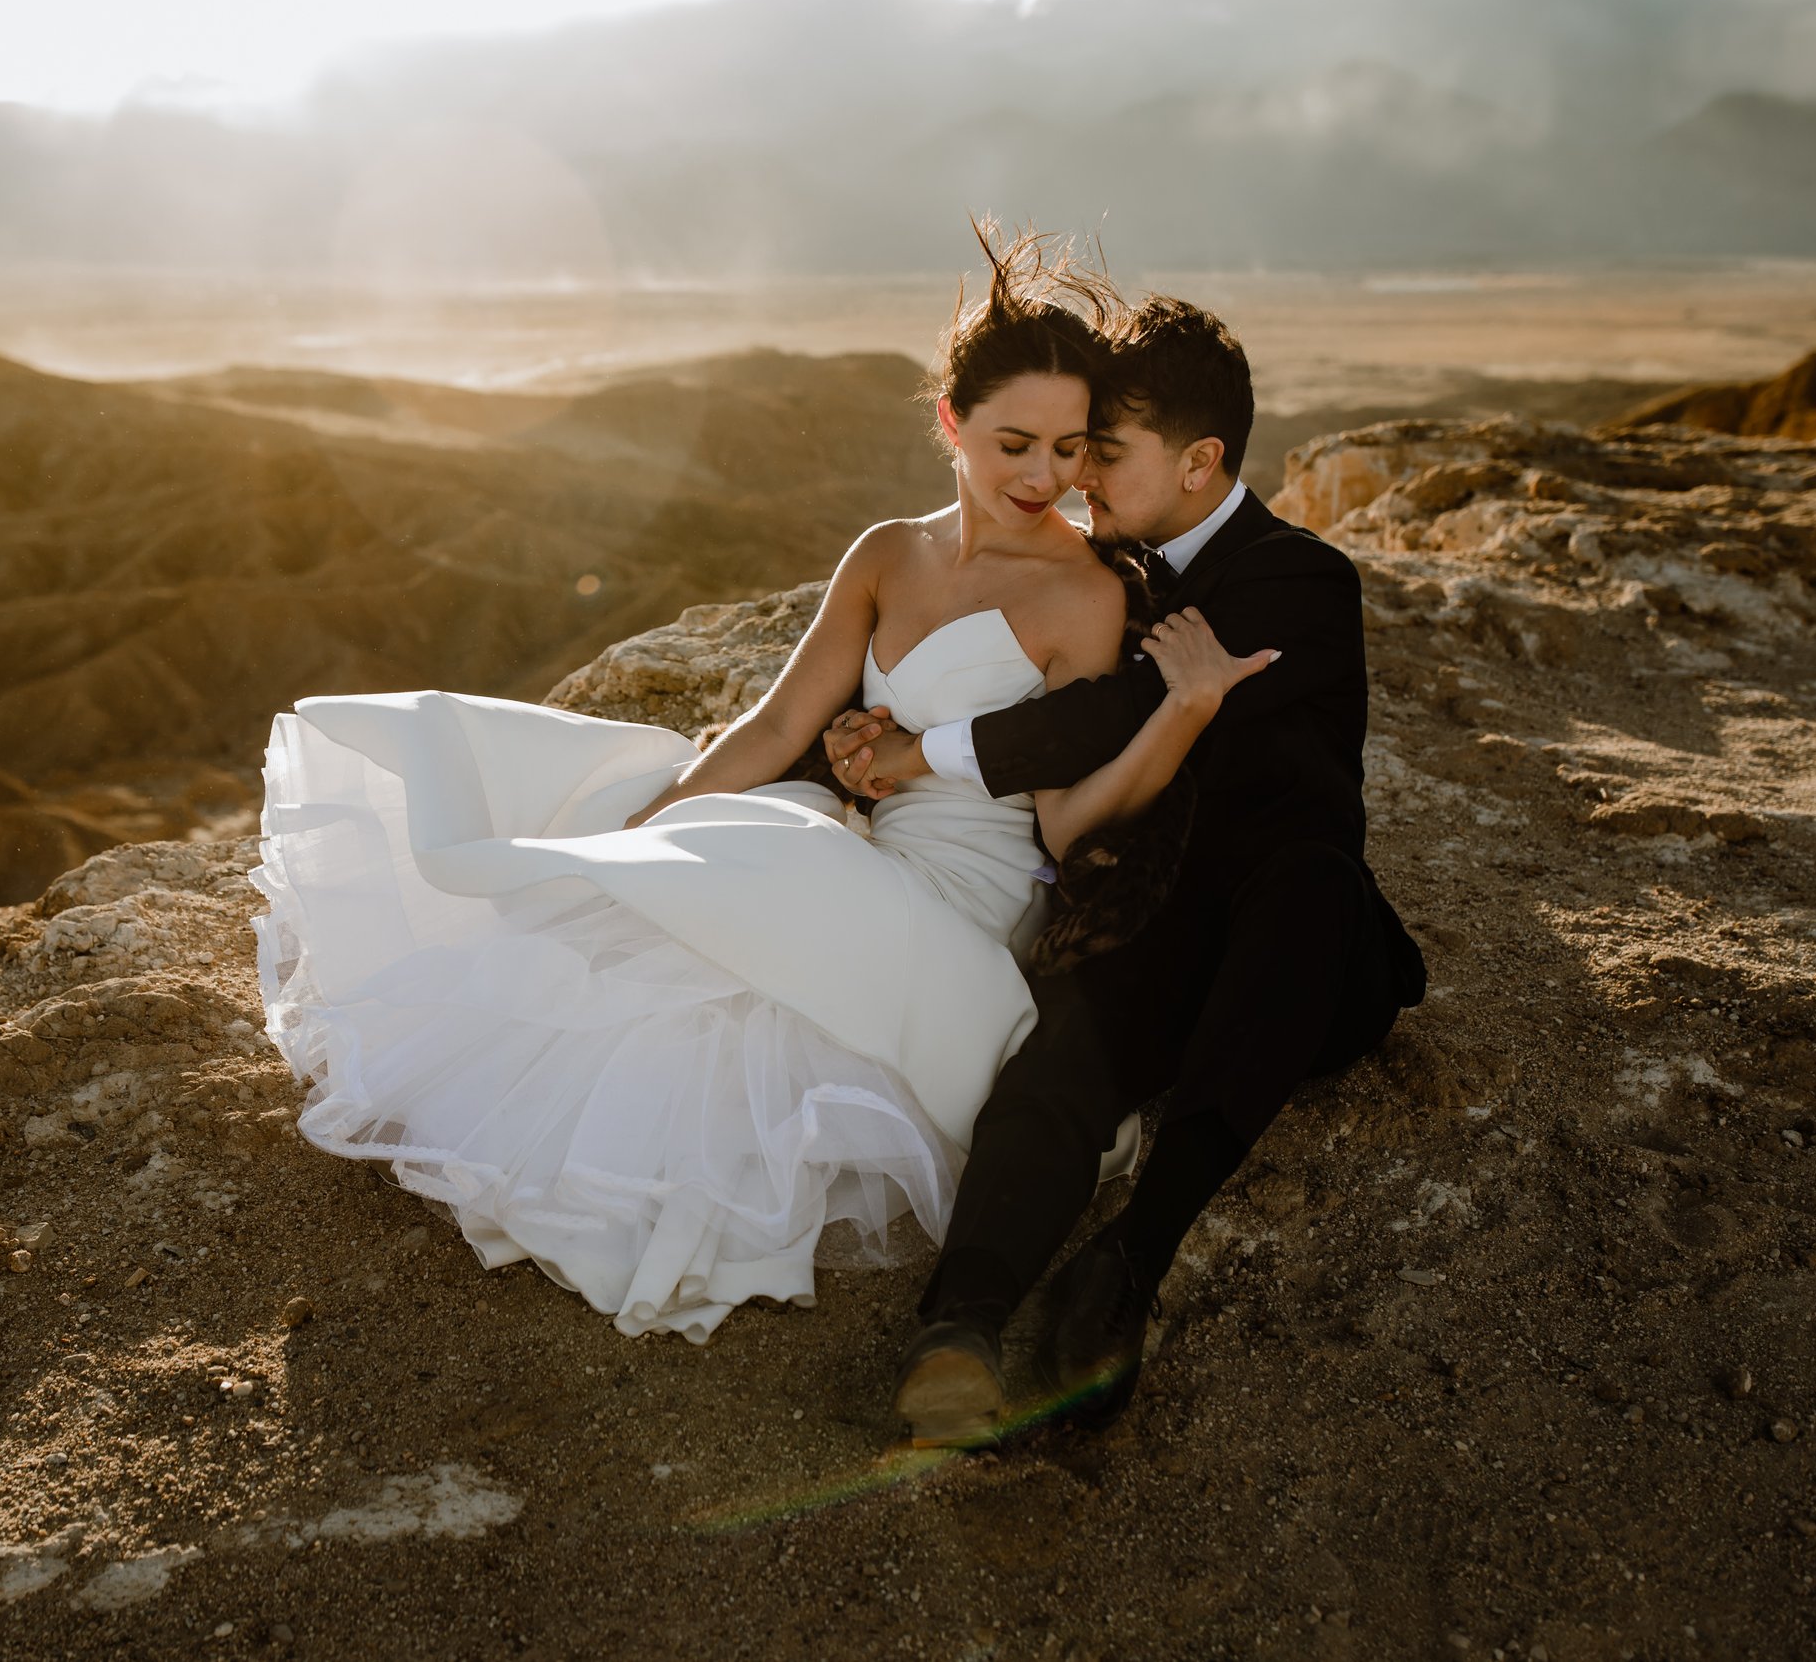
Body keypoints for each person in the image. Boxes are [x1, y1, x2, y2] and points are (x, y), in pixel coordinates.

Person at [248, 231, 1268, 1343]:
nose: (1043, 478)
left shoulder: (1083, 596)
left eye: (1069, 450)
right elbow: (782, 719)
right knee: (719, 841)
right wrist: (654, 820)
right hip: (856, 830)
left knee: (776, 874)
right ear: (949, 424)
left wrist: (1181, 713)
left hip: (969, 884)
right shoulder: (888, 553)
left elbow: (1069, 820)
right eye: (1013, 442)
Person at [831, 296, 1428, 1445]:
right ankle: (957, 1328)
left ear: (1201, 461)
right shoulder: (1102, 568)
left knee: (1308, 884)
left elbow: (1119, 705)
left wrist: (926, 753)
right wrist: (854, 742)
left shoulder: (1298, 577)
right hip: (1162, 915)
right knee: (1064, 1050)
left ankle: (1130, 1260)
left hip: (1301, 943)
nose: (1076, 476)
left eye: (1103, 451)